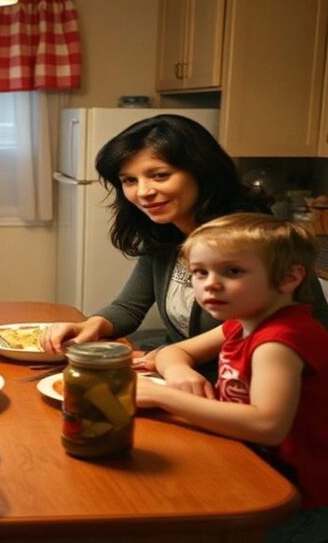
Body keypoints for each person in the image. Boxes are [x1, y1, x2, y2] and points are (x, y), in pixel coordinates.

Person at [41, 114, 328, 377]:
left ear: (201, 171)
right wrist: (90, 326)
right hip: (184, 377)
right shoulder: (165, 233)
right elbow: (129, 307)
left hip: (252, 391)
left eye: (160, 175)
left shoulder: (254, 239)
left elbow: (265, 320)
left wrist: (174, 356)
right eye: (129, 180)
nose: (143, 192)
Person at [136, 213, 328, 542]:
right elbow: (174, 352)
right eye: (200, 272)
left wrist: (162, 395)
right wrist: (179, 371)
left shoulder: (279, 341)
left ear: (289, 278)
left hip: (294, 498)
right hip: (253, 468)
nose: (210, 283)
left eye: (232, 271)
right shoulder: (243, 321)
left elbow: (268, 426)